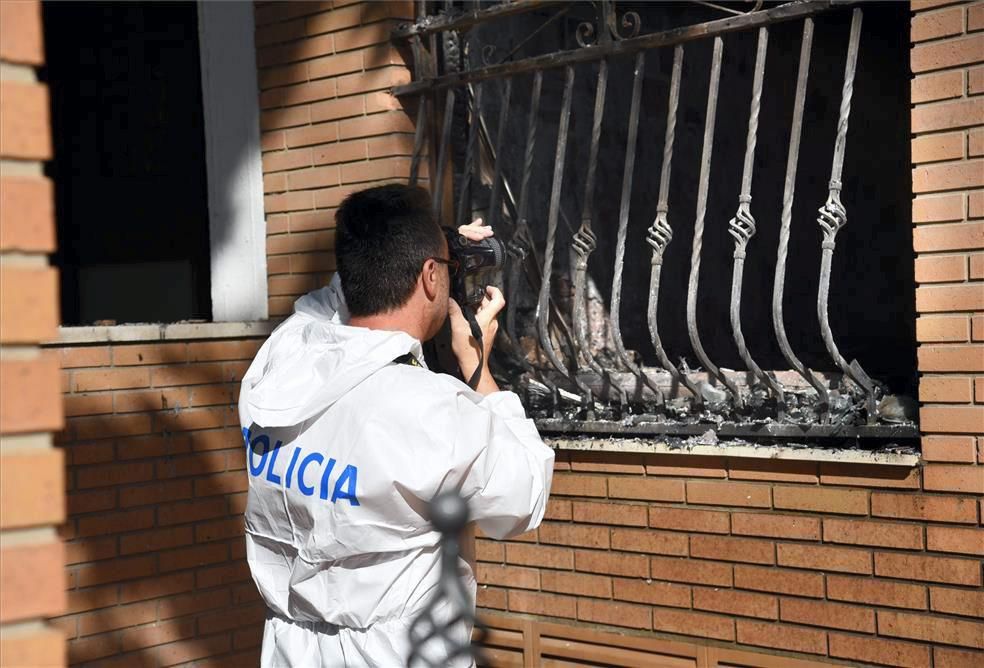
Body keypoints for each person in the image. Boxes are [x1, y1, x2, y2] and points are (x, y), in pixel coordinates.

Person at [238, 184, 554, 667]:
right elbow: (525, 496)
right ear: (431, 277)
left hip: (290, 648)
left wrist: (431, 244)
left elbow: (336, 295)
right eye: (444, 269)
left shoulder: (281, 358)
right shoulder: (432, 409)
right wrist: (478, 366)